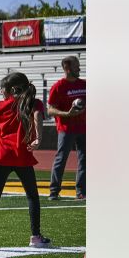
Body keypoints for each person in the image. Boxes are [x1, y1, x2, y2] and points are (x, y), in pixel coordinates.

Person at [0, 71, 50, 248]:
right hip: (21, 154)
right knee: (32, 197)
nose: (1, 92)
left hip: (1, 154)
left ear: (11, 89)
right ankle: (35, 236)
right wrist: (38, 138)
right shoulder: (32, 103)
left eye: (2, 89)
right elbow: (37, 117)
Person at [47, 55, 86, 201]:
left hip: (84, 128)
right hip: (66, 129)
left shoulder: (84, 84)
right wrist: (67, 114)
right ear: (67, 69)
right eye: (76, 66)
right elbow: (50, 110)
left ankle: (81, 192)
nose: (79, 68)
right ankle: (54, 191)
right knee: (61, 159)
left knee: (85, 160)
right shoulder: (58, 87)